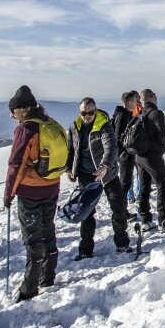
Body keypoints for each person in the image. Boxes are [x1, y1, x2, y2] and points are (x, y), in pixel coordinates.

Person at [3, 85, 61, 302]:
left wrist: (9, 193)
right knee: (48, 231)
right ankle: (48, 276)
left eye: (14, 110)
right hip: (52, 186)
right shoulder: (49, 123)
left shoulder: (26, 130)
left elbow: (16, 163)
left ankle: (29, 288)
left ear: (22, 109)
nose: (12, 115)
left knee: (32, 238)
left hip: (31, 191)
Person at [65, 97, 131, 260]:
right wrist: (69, 168)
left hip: (107, 174)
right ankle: (85, 249)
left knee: (118, 208)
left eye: (90, 112)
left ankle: (122, 243)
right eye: (83, 113)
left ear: (96, 111)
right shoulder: (75, 126)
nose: (87, 116)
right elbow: (71, 149)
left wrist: (105, 165)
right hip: (86, 175)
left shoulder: (103, 124)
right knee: (86, 212)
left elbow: (111, 146)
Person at [134, 89, 165, 232]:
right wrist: (161, 148)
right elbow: (162, 133)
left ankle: (146, 219)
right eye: (155, 96)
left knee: (144, 187)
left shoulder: (139, 113)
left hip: (139, 156)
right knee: (163, 186)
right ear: (152, 97)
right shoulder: (156, 113)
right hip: (152, 156)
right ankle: (164, 220)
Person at [111, 91, 141, 217]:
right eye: (135, 101)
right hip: (125, 156)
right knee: (124, 184)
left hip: (128, 154)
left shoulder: (126, 114)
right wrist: (124, 152)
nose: (137, 103)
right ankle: (121, 212)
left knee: (126, 183)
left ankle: (123, 211)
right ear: (129, 102)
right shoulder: (122, 116)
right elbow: (118, 137)